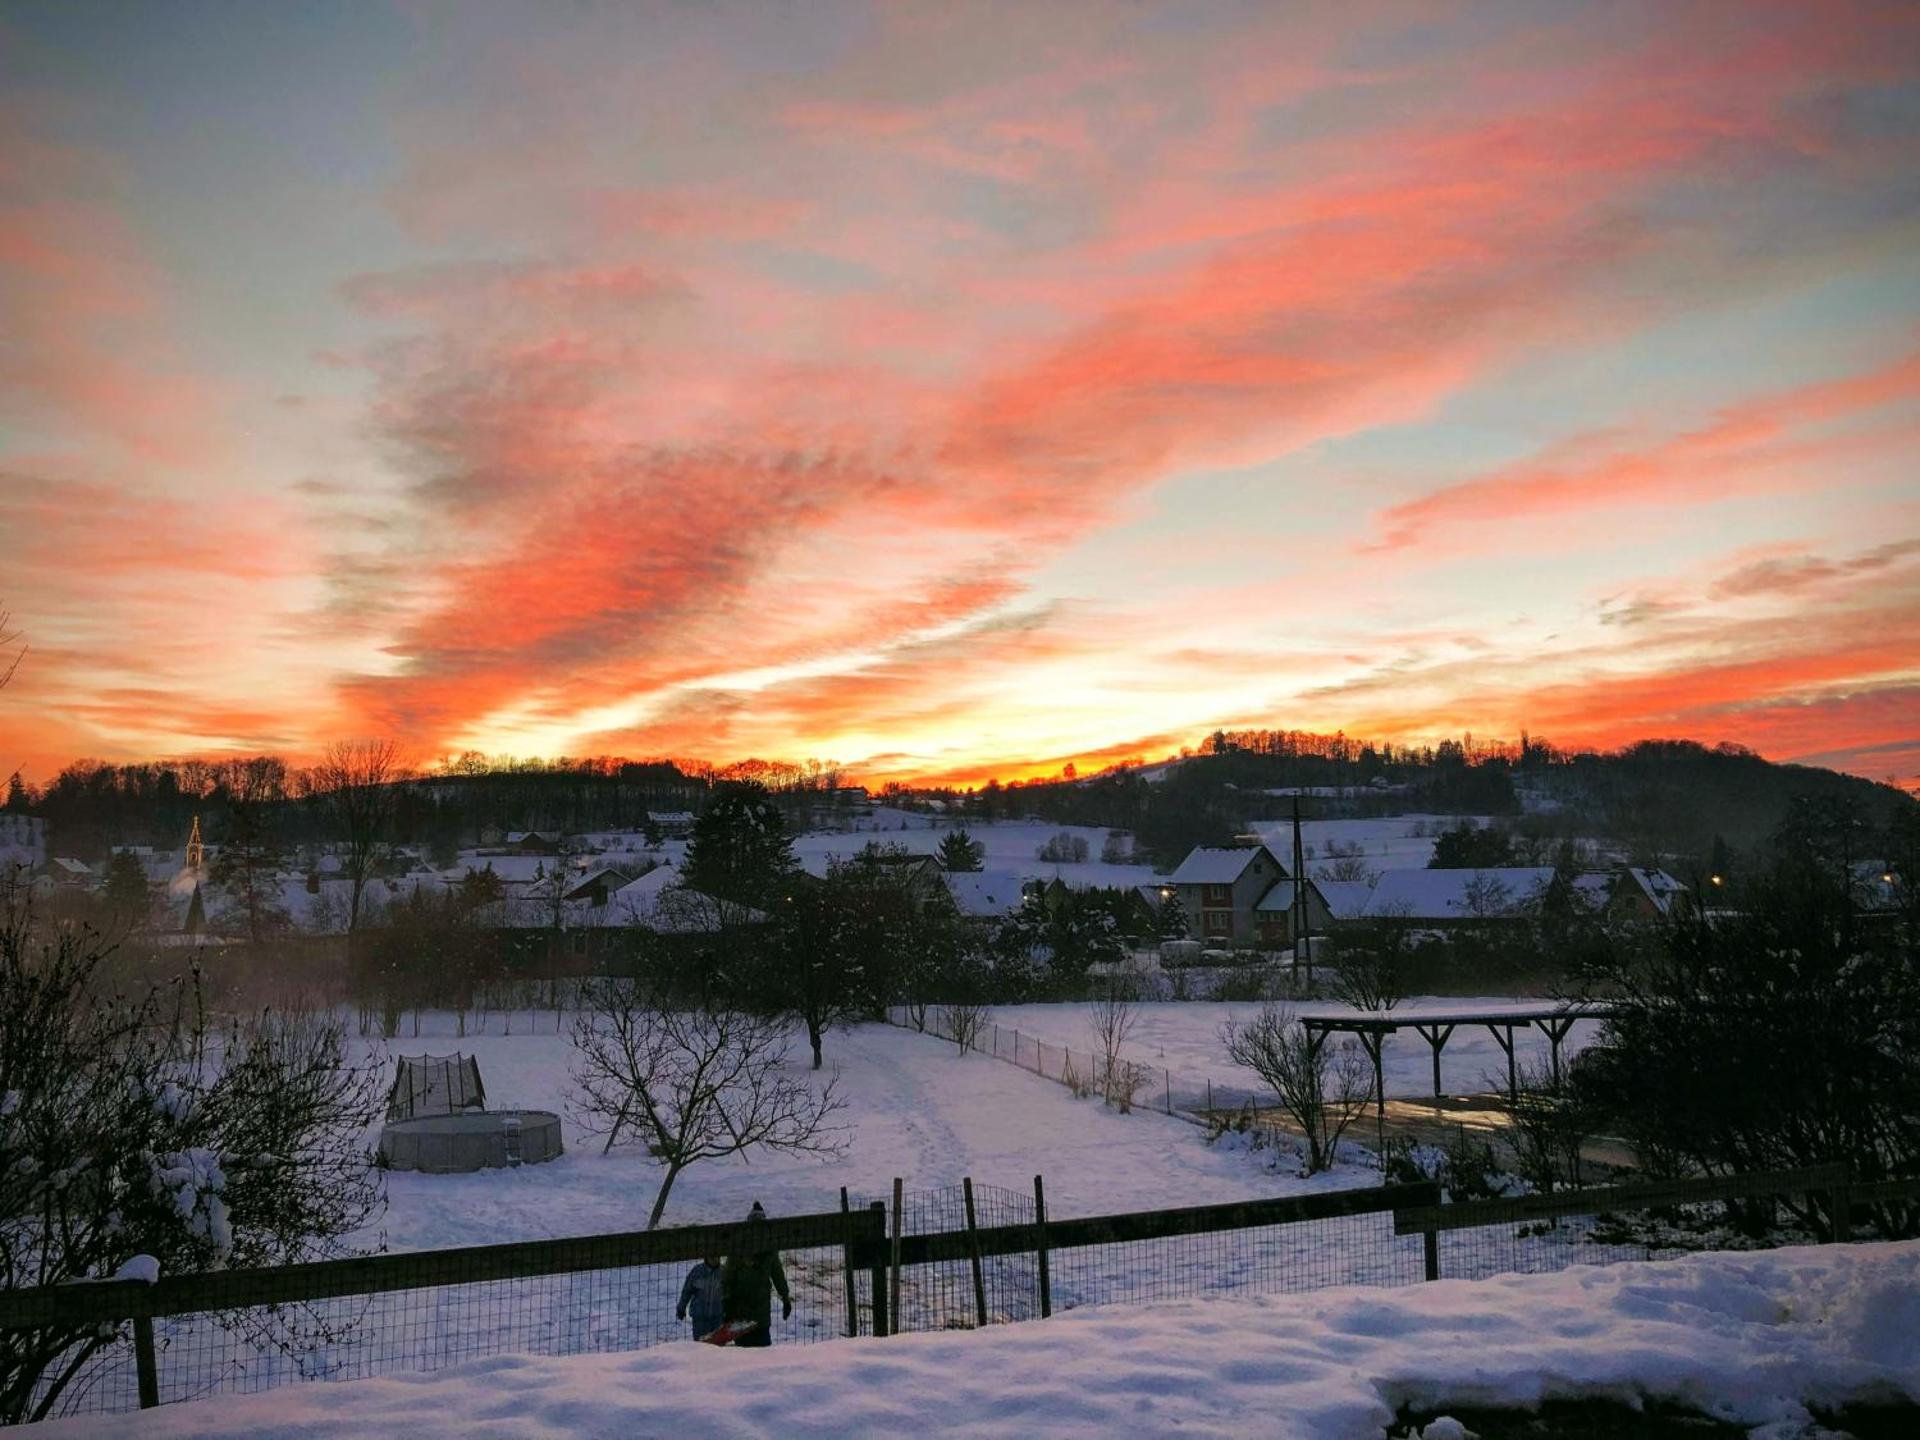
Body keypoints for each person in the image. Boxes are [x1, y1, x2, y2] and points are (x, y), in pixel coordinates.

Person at [720, 1200, 791, 1347]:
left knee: (744, 1349)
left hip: (741, 1310)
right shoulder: (769, 1247)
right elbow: (778, 1275)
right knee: (762, 1349)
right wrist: (785, 1297)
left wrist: (726, 1300)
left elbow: (728, 1277)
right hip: (760, 1311)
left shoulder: (739, 1247)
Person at [675, 1254, 724, 1340]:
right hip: (700, 1318)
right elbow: (687, 1291)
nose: (714, 1259)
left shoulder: (724, 1272)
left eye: (716, 1256)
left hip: (717, 1318)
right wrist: (681, 1308)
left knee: (717, 1347)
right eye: (711, 1256)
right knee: (700, 1346)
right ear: (706, 1257)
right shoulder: (697, 1271)